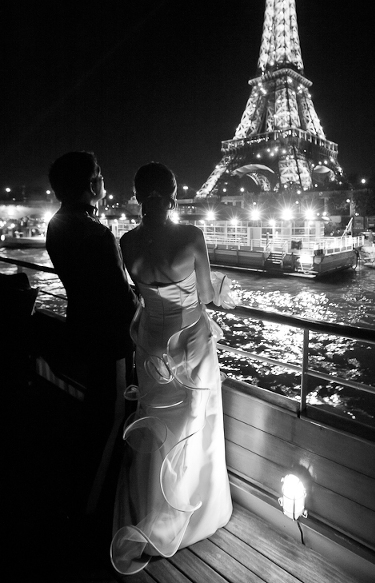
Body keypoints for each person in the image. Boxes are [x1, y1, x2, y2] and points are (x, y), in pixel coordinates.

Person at [110, 162, 233, 575]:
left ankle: (150, 509)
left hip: (149, 345)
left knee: (156, 425)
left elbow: (140, 294)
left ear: (138, 193)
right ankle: (185, 516)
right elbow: (206, 296)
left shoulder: (126, 242)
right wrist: (226, 289)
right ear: (173, 193)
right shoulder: (191, 237)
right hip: (190, 345)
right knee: (191, 427)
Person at [46, 151, 138, 518]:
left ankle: (79, 493)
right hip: (110, 340)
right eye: (99, 174)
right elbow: (121, 296)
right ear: (90, 185)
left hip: (80, 330)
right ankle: (91, 510)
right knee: (113, 418)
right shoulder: (98, 234)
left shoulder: (56, 224)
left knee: (93, 415)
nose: (103, 180)